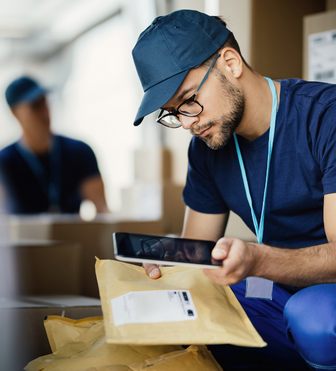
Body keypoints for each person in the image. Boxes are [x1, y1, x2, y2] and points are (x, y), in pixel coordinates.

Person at [131, 9, 336, 371]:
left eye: (190, 98)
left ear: (230, 62)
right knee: (186, 302)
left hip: (323, 295)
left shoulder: (325, 116)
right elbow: (197, 254)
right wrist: (166, 261)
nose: (188, 123)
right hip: (275, 289)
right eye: (173, 113)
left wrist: (259, 259)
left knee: (314, 319)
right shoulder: (208, 147)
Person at [0, 76, 109, 214]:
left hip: (69, 235)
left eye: (44, 102)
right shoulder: (4, 162)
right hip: (24, 236)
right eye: (35, 106)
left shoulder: (80, 152)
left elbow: (103, 211)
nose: (44, 112)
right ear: (15, 113)